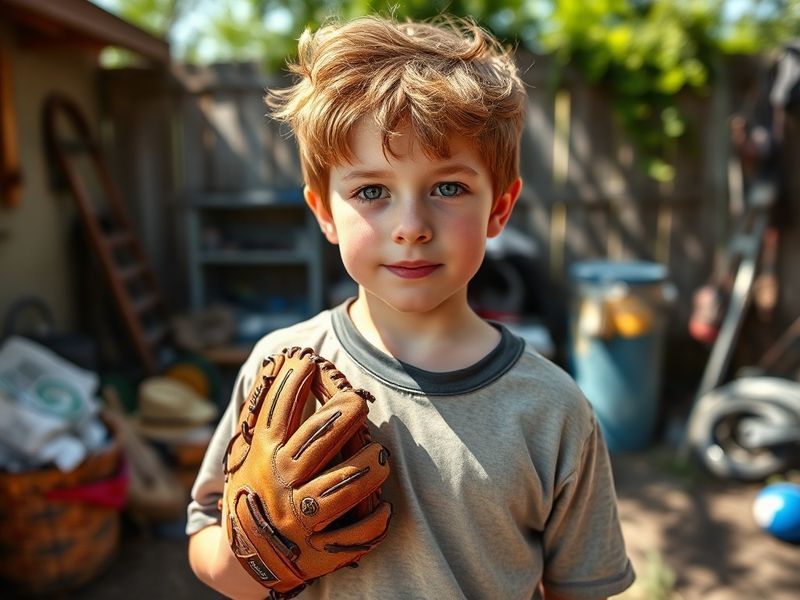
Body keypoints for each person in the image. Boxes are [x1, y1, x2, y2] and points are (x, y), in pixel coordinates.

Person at [187, 14, 635, 600]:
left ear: (500, 208)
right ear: (324, 211)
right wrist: (263, 556)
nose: (411, 228)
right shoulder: (281, 366)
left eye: (448, 188)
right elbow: (205, 537)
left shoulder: (554, 410)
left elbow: (581, 588)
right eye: (371, 191)